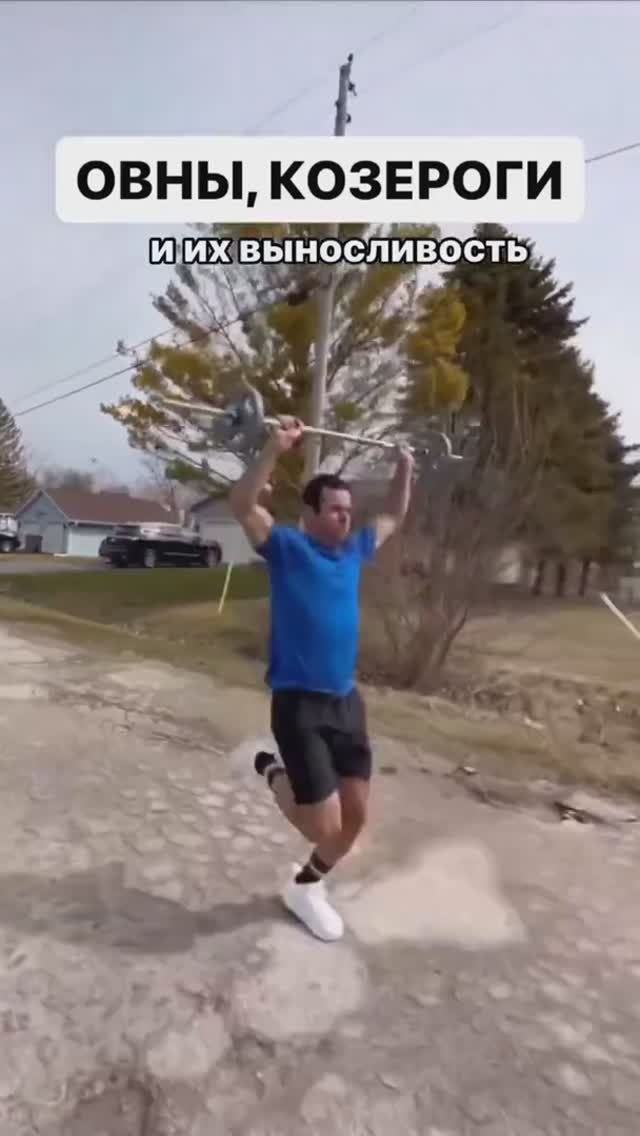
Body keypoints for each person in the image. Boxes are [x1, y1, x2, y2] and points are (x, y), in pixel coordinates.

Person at [230, 417, 414, 941]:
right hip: (299, 705)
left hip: (345, 703)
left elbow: (394, 514)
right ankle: (269, 767)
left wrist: (404, 467)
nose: (345, 517)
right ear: (310, 514)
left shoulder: (354, 551)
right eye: (335, 509)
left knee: (354, 819)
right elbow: (243, 504)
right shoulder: (287, 548)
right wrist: (275, 447)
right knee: (323, 826)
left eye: (348, 510)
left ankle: (305, 887)